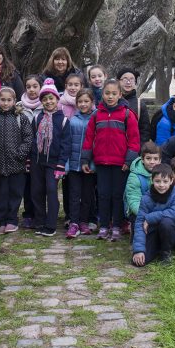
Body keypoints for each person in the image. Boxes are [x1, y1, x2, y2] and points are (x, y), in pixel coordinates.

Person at [82, 79, 140, 241]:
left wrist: (128, 162)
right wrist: (85, 160)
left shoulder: (128, 114)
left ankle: (116, 225)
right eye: (107, 93)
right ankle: (104, 225)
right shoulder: (96, 114)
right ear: (102, 94)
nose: (110, 96)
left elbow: (135, 141)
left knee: (117, 195)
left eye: (114, 93)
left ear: (120, 95)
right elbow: (88, 138)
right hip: (101, 163)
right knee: (103, 194)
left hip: (120, 164)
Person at [29, 79, 71, 237]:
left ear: (57, 99)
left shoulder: (64, 120)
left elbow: (66, 145)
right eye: (45, 99)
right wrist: (30, 160)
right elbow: (33, 140)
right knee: (37, 192)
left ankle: (51, 224)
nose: (48, 101)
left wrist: (61, 164)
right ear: (41, 102)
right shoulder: (37, 118)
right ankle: (40, 221)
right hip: (37, 161)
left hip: (53, 163)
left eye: (51, 98)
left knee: (51, 192)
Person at [0, 87, 32, 234]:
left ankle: (12, 220)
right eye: (3, 100)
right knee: (2, 193)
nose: (6, 103)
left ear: (14, 101)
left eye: (9, 100)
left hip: (17, 164)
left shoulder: (21, 117)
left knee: (15, 193)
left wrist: (20, 154)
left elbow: (28, 138)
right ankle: (2, 220)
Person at [131, 164, 175, 267]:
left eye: (165, 181)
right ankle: (155, 248)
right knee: (139, 262)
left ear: (171, 181)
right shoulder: (146, 198)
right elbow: (140, 222)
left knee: (166, 222)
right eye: (157, 181)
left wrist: (150, 218)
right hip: (152, 232)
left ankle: (165, 253)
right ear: (152, 180)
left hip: (170, 231)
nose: (161, 185)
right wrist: (139, 250)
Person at [66, 89, 96, 238]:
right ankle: (73, 223)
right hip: (73, 165)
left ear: (92, 102)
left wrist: (94, 165)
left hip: (89, 166)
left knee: (87, 195)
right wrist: (65, 165)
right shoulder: (73, 120)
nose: (83, 104)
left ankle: (84, 221)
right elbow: (68, 143)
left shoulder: (96, 118)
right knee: (74, 195)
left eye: (86, 101)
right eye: (80, 102)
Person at [124, 142, 162, 222]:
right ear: (142, 159)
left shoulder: (164, 174)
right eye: (148, 158)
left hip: (157, 211)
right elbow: (134, 201)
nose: (152, 162)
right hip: (138, 210)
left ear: (160, 160)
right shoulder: (134, 176)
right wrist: (147, 216)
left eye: (155, 159)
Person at [116, 67, 150, 142]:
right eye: (125, 79)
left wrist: (139, 149)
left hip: (133, 149)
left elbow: (145, 131)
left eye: (131, 79)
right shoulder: (111, 101)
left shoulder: (140, 104)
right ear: (118, 81)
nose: (128, 82)